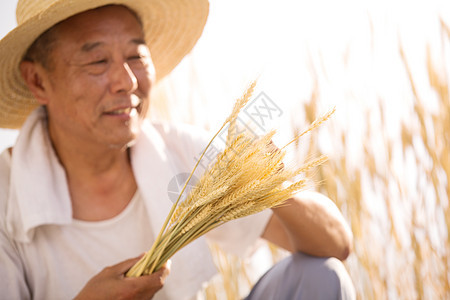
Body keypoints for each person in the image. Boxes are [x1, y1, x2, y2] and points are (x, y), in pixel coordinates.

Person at [0, 0, 355, 299]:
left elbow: (335, 245)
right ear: (38, 80)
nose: (127, 81)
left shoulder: (180, 153)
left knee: (319, 274)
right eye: (97, 62)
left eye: (136, 56)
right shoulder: (6, 196)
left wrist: (271, 186)